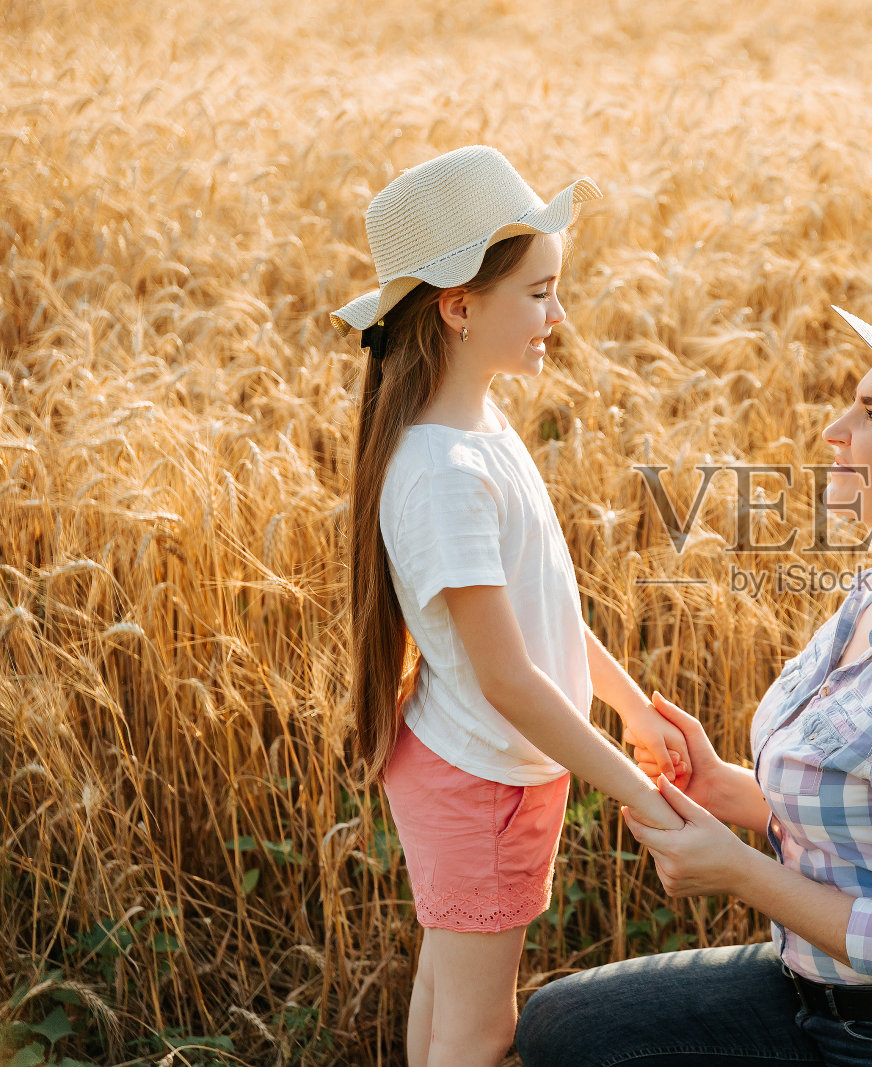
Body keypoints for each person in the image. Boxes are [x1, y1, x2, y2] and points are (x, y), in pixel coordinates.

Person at [517, 307, 872, 1066]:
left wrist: (739, 871)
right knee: (567, 1025)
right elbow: (860, 823)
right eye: (854, 400)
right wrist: (724, 786)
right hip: (822, 1000)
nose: (834, 430)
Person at [335, 145, 690, 1067]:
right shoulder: (444, 473)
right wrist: (636, 787)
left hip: (479, 772)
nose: (558, 314)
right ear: (458, 307)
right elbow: (510, 680)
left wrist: (630, 708)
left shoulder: (480, 427)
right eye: (538, 293)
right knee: (482, 1029)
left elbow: (543, 614)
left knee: (447, 993)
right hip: (485, 782)